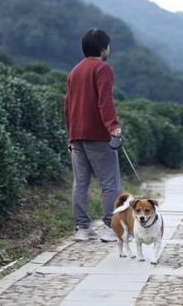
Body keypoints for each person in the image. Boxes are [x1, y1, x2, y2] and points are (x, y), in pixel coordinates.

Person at [64, 28, 122, 242]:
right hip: (97, 134)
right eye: (108, 45)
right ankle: (110, 228)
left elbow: (67, 105)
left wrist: (70, 134)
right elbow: (105, 101)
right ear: (102, 48)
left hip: (76, 135)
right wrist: (113, 126)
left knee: (80, 183)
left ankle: (82, 229)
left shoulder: (74, 71)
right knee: (110, 183)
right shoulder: (102, 68)